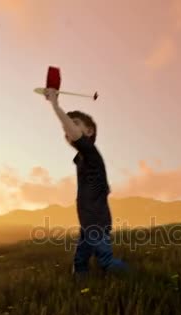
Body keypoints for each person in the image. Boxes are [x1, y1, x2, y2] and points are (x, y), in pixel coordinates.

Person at [43, 88, 128, 275]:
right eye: (66, 130)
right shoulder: (83, 158)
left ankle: (135, 278)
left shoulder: (90, 151)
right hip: (88, 222)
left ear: (89, 131)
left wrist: (56, 105)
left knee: (106, 262)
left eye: (73, 124)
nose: (67, 130)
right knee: (80, 261)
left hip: (96, 222)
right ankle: (79, 288)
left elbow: (74, 134)